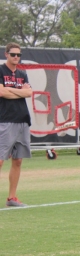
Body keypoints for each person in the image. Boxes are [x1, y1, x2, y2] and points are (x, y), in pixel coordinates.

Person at [0, 43, 33, 207]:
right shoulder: (0, 71)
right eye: (13, 54)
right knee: (0, 159)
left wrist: (11, 90)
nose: (16, 57)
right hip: (5, 120)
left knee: (18, 160)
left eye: (18, 55)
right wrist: (19, 92)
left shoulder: (22, 74)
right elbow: (1, 92)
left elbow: (29, 93)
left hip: (23, 120)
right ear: (6, 54)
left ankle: (12, 198)